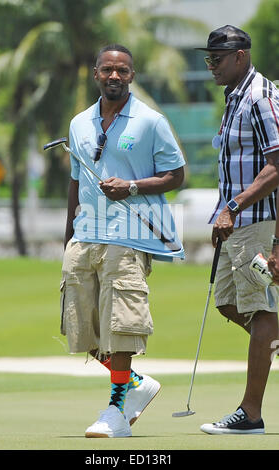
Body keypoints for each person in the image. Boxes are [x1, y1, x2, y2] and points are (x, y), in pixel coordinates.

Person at [60, 44, 185, 438]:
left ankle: (116, 411)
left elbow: (176, 175)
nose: (115, 76)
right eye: (108, 70)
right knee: (81, 328)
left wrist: (131, 186)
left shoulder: (151, 121)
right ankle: (134, 383)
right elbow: (75, 182)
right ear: (96, 73)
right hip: (86, 235)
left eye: (123, 71)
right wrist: (68, 236)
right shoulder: (79, 122)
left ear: (132, 76)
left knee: (121, 326)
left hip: (129, 235)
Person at [196, 25, 279, 434]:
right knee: (228, 303)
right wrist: (221, 214)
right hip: (236, 227)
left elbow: (278, 166)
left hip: (259, 225)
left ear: (241, 56)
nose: (211, 65)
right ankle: (273, 341)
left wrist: (232, 207)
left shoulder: (260, 96)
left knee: (262, 310)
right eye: (208, 58)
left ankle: (251, 414)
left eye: (218, 58)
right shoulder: (235, 97)